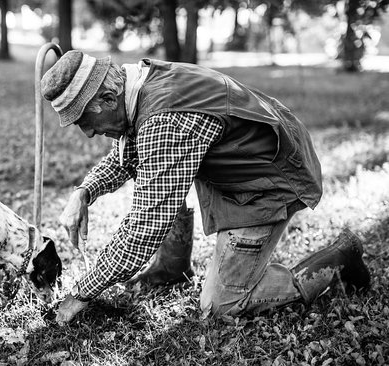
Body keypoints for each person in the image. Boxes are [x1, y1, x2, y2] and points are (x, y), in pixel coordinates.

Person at [40, 50, 371, 324]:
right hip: (250, 159)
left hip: (270, 182)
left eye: (84, 121)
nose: (87, 133)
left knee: (220, 306)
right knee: (161, 181)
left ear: (109, 97)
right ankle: (172, 269)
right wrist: (84, 191)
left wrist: (80, 292)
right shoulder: (136, 83)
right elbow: (128, 153)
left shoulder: (163, 120)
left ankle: (339, 256)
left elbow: (144, 228)